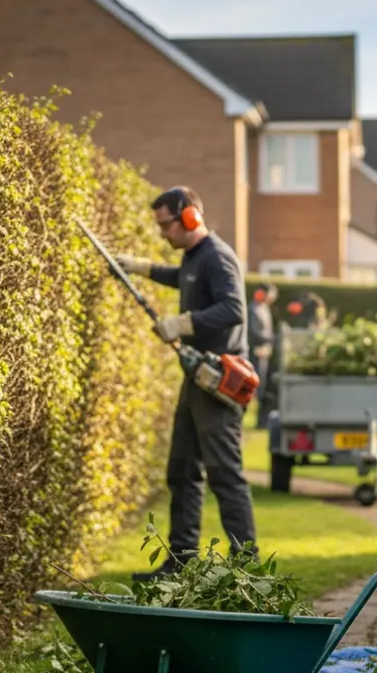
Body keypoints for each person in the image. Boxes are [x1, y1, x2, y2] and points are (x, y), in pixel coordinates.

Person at [115, 186, 258, 580]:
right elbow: (181, 278)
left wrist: (182, 323)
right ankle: (180, 563)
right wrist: (138, 266)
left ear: (190, 216)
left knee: (225, 475)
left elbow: (233, 309)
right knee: (182, 470)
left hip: (219, 382)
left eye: (166, 224)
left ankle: (248, 568)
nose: (163, 233)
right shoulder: (195, 258)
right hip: (197, 380)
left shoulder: (218, 256)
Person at [247, 283, 277, 429]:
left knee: (263, 387)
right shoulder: (253, 309)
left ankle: (261, 421)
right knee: (255, 388)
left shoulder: (264, 309)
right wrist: (270, 339)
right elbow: (253, 332)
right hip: (256, 353)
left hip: (264, 353)